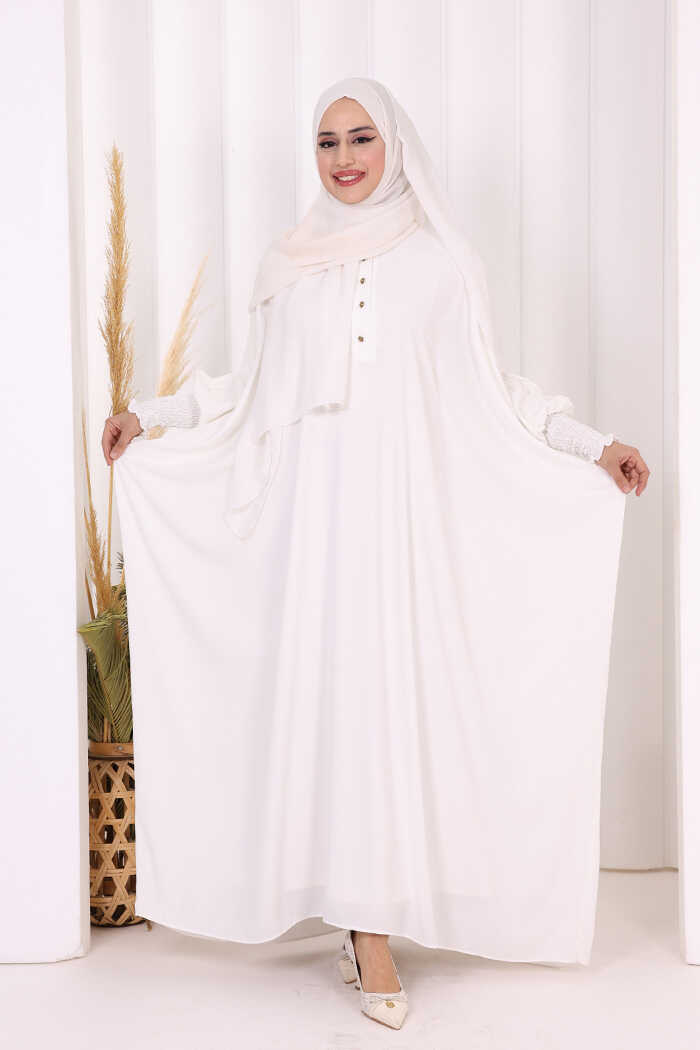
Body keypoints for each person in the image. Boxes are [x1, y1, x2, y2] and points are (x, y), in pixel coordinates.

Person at [104, 77, 649, 1032]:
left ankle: (378, 921)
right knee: (331, 706)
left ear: (394, 144)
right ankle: (362, 925)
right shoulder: (288, 262)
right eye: (326, 141)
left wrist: (589, 444)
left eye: (361, 137)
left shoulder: (442, 261)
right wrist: (152, 416)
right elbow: (247, 387)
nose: (344, 157)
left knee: (395, 708)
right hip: (312, 532)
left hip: (404, 529)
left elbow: (495, 389)